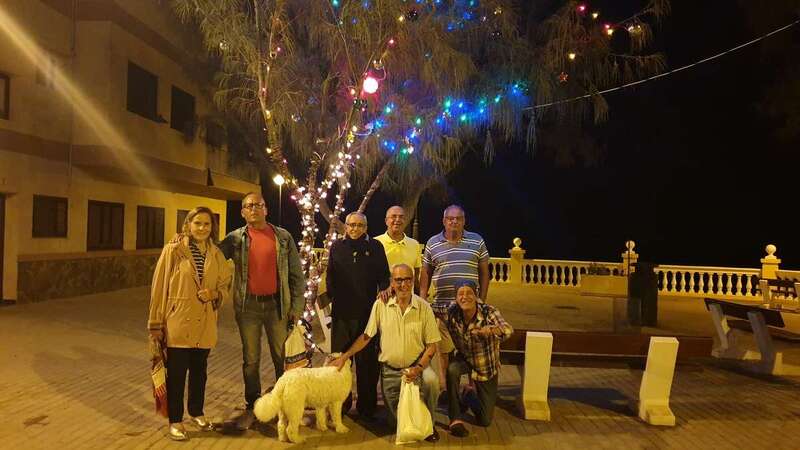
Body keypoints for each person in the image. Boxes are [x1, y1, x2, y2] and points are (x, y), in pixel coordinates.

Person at [218, 192, 306, 430]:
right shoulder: (236, 239)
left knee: (281, 357)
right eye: (248, 205)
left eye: (258, 205)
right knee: (251, 359)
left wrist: (297, 307)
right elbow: (212, 257)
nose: (254, 208)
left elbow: (297, 276)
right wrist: (184, 242)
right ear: (242, 212)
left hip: (277, 306)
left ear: (266, 209)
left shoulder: (283, 237)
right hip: (249, 308)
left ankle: (282, 399)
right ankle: (253, 402)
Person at [147, 207, 232, 441]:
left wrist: (214, 294)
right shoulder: (173, 250)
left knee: (199, 372)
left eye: (206, 224)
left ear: (212, 228)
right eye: (197, 223)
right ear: (188, 225)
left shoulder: (216, 254)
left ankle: (197, 411)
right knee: (176, 374)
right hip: (178, 321)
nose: (202, 228)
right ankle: (175, 420)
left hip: (204, 323)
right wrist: (155, 323)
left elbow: (226, 284)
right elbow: (158, 288)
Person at [330, 264, 441, 442]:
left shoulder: (424, 307)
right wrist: (345, 356)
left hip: (417, 367)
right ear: (392, 282)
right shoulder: (380, 305)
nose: (403, 284)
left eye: (407, 279)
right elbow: (366, 336)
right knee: (397, 424)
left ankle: (430, 424)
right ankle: (413, 417)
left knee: (432, 381)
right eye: (398, 280)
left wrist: (418, 369)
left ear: (413, 281)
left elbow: (432, 346)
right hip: (390, 372)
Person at [326, 211, 390, 420]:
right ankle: (341, 405)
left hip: (367, 315)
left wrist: (383, 288)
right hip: (341, 316)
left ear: (366, 228)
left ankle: (366, 406)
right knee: (340, 362)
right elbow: (330, 276)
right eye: (351, 225)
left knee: (367, 365)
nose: (355, 229)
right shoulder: (336, 247)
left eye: (359, 225)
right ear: (346, 227)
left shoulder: (376, 247)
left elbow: (384, 276)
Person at [418, 205, 490, 386]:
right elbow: (425, 272)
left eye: (458, 218)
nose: (454, 221)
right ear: (444, 221)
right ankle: (447, 387)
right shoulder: (433, 243)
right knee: (444, 350)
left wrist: (482, 300)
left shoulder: (477, 241)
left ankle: (473, 389)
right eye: (450, 218)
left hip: (470, 308)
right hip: (443, 308)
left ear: (464, 221)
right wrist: (422, 298)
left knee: (473, 350)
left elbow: (484, 272)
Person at [431, 280, 512, 437]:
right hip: (465, 360)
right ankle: (454, 418)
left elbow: (508, 329)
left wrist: (491, 331)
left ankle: (468, 395)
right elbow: (429, 307)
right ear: (456, 298)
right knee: (452, 369)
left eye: (469, 293)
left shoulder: (489, 312)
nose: (464, 297)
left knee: (484, 420)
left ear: (476, 296)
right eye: (460, 294)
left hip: (485, 367)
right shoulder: (451, 311)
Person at [375, 205, 422, 289]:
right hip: (382, 298)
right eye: (393, 216)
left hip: (408, 298)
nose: (397, 220)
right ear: (386, 221)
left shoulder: (414, 244)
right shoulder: (376, 243)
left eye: (401, 217)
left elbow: (416, 275)